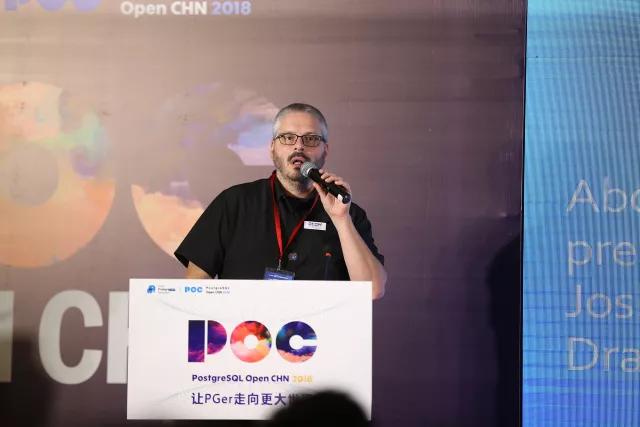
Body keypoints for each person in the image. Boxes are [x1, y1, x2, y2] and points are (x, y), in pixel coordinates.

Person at [174, 103, 386, 299]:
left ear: (325, 150)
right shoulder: (233, 203)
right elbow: (195, 283)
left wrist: (341, 221)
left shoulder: (348, 214)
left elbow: (373, 290)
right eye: (288, 137)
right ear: (272, 147)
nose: (299, 146)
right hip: (245, 328)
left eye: (311, 139)